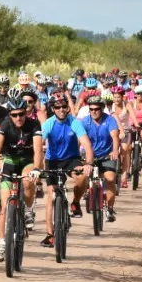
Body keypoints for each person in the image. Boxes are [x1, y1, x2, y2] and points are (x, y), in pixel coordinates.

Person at [0, 97, 43, 261]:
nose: (18, 118)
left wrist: (37, 169)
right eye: (14, 115)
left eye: (21, 114)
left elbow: (38, 149)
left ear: (26, 112)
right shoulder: (5, 125)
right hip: (11, 161)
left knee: (27, 181)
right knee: (4, 206)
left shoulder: (34, 124)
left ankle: (28, 210)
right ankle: (3, 242)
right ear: (10, 115)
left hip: (27, 161)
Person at [39, 95, 93, 247]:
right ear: (53, 109)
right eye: (57, 107)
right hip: (53, 161)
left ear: (68, 108)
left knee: (82, 178)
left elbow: (87, 144)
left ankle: (75, 203)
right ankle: (50, 235)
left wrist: (88, 163)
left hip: (71, 160)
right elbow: (39, 143)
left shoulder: (74, 122)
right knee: (51, 196)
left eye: (64, 107)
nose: (61, 110)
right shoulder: (48, 124)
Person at [81, 96, 121, 221]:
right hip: (89, 155)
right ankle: (88, 189)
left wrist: (115, 151)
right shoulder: (85, 121)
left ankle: (109, 209)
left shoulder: (110, 120)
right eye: (91, 109)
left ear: (102, 108)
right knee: (81, 176)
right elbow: (79, 138)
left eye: (97, 109)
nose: (94, 111)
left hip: (106, 155)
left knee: (110, 179)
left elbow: (115, 136)